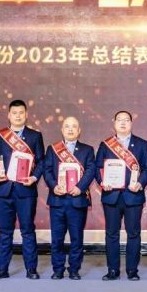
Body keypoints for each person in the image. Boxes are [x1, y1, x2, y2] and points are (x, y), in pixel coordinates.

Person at [0, 100, 45, 280]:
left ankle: (31, 269)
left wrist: (34, 178)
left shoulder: (35, 136)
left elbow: (41, 161)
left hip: (26, 190)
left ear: (26, 115)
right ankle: (2, 269)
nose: (18, 116)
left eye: (21, 112)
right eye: (14, 113)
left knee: (27, 230)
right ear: (9, 115)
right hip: (4, 189)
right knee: (5, 231)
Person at [95, 110, 147, 281]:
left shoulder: (142, 144)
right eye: (119, 120)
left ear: (131, 123)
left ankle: (132, 270)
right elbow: (98, 168)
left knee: (133, 234)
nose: (123, 123)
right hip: (111, 195)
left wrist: (140, 183)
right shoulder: (106, 144)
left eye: (127, 120)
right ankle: (113, 270)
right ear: (114, 123)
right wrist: (102, 182)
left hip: (133, 196)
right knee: (112, 234)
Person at [43, 117, 96, 280]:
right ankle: (58, 269)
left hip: (77, 200)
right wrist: (54, 186)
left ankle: (74, 269)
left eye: (74, 126)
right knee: (57, 238)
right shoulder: (53, 149)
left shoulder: (87, 150)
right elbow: (47, 170)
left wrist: (80, 187)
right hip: (57, 200)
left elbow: (91, 170)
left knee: (76, 238)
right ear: (62, 130)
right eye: (67, 126)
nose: (70, 129)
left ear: (79, 130)